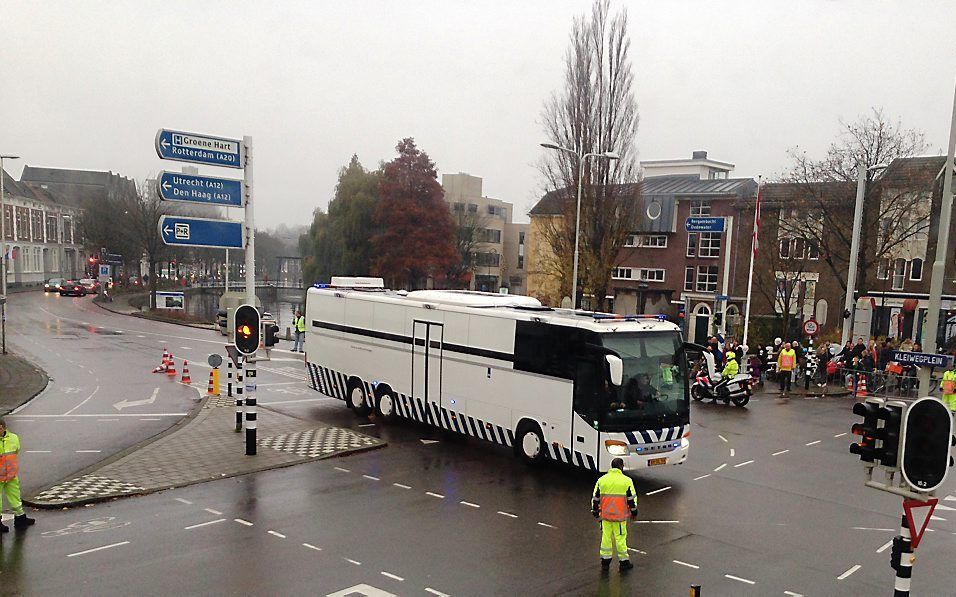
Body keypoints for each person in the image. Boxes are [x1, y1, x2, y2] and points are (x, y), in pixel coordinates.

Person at [591, 457, 638, 571]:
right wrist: (634, 512)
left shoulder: (602, 480)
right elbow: (631, 499)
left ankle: (605, 562)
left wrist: (595, 511)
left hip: (606, 516)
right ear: (621, 466)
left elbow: (596, 497)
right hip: (619, 517)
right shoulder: (627, 481)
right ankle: (623, 562)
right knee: (620, 539)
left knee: (606, 538)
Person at [0, 418, 35, 532]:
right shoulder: (13, 438)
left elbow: (16, 451)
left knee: (15, 497)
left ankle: (20, 517)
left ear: (3, 427)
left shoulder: (13, 438)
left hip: (11, 475)